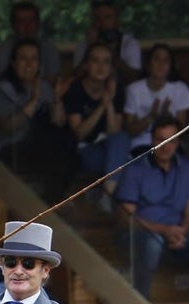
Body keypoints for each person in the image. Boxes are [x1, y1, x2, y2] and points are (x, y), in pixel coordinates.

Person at [115, 115, 189, 299]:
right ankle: (140, 301)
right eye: (161, 139)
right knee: (153, 243)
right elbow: (125, 217)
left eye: (171, 140)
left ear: (178, 142)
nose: (166, 146)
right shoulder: (135, 169)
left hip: (179, 233)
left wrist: (181, 232)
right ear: (152, 140)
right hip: (142, 235)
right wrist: (164, 230)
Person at [0, 39, 74, 200]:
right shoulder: (3, 88)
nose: (29, 64)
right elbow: (8, 126)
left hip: (38, 148)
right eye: (23, 59)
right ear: (13, 63)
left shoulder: (45, 87)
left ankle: (53, 201)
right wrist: (34, 101)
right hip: (8, 149)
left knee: (66, 144)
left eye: (34, 59)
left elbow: (58, 122)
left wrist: (57, 98)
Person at [62, 41, 130, 205]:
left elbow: (114, 132)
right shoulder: (76, 89)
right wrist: (102, 106)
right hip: (83, 151)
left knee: (122, 139)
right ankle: (110, 199)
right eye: (95, 61)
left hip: (109, 150)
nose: (101, 66)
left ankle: (107, 196)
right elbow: (79, 134)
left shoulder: (116, 89)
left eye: (106, 62)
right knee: (125, 163)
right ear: (86, 65)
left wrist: (110, 103)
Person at [122, 43, 189, 152]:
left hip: (170, 143)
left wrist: (166, 117)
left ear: (170, 66)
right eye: (157, 59)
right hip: (141, 144)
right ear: (149, 64)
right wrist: (151, 117)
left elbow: (182, 130)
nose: (161, 64)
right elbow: (129, 129)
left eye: (165, 60)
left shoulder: (180, 89)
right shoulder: (134, 89)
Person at [71, 0, 142, 83]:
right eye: (97, 18)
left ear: (117, 20)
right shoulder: (84, 45)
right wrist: (90, 48)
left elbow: (134, 78)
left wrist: (110, 51)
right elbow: (77, 77)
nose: (102, 23)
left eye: (108, 17)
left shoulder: (129, 43)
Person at [0, 2, 62, 83]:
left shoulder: (50, 49)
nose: (27, 25)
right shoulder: (3, 51)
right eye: (21, 21)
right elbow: (3, 82)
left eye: (31, 20)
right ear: (13, 25)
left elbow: (53, 80)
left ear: (38, 23)